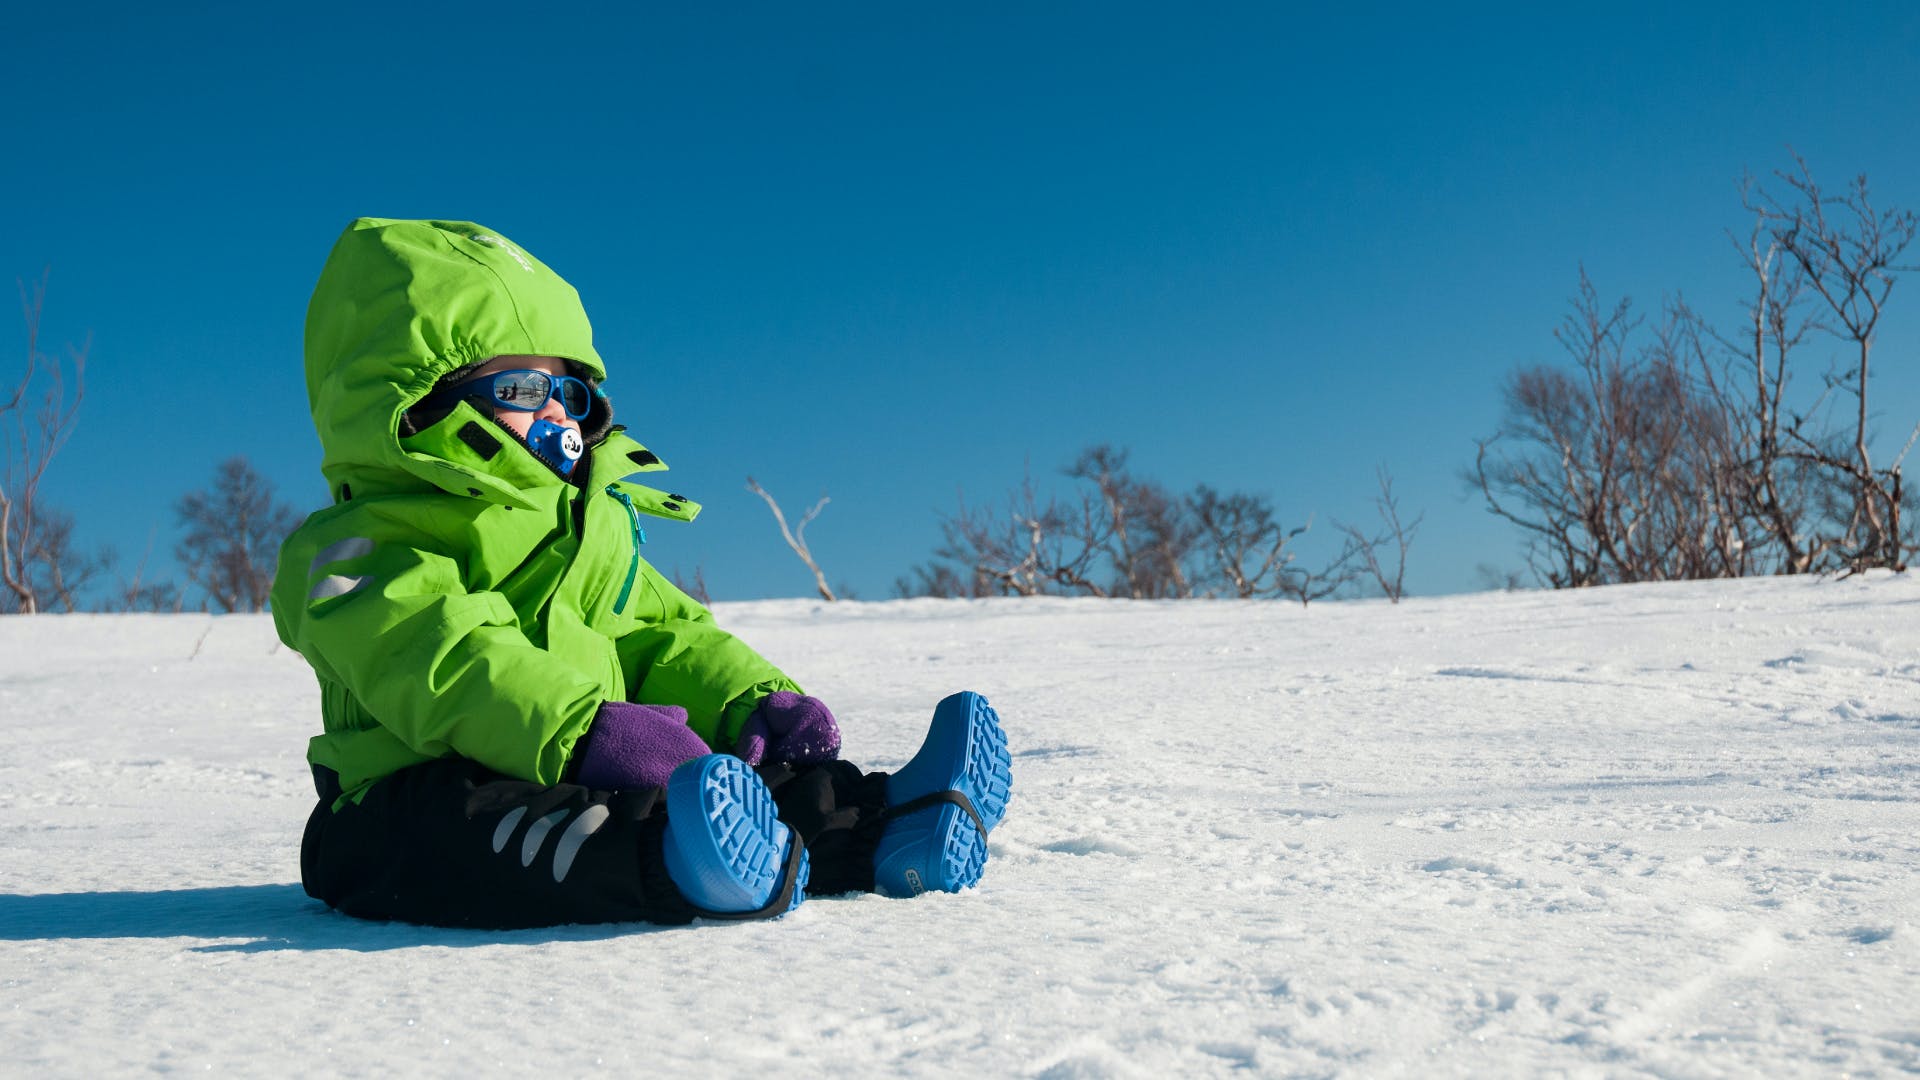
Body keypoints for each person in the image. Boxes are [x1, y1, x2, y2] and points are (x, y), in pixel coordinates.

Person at [271, 218, 1012, 929]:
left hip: (581, 760)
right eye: (523, 391)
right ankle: (684, 862)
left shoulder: (587, 532)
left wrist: (750, 703)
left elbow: (661, 636)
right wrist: (582, 729)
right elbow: (442, 654)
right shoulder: (358, 549)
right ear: (420, 399)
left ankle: (890, 828)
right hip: (394, 803)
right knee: (499, 825)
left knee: (740, 784)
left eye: (571, 393)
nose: (559, 415)